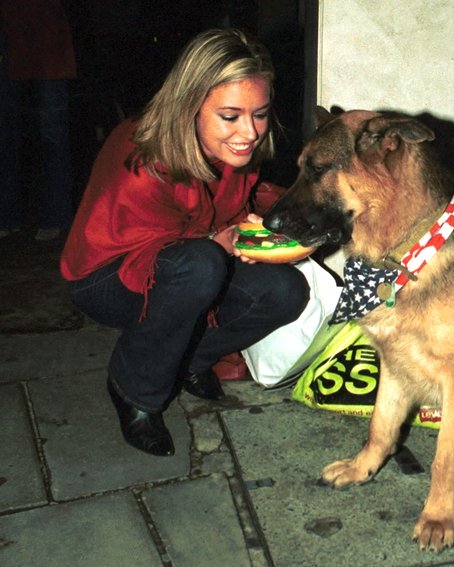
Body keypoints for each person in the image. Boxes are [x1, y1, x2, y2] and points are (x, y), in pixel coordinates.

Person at [60, 28, 310, 456]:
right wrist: (220, 242)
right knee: (200, 266)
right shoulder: (143, 154)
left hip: (188, 259)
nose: (249, 132)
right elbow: (151, 254)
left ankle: (189, 359)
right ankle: (135, 388)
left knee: (286, 291)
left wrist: (274, 224)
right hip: (107, 276)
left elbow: (233, 207)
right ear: (189, 106)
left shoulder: (233, 148)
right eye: (230, 116)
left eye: (261, 113)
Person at [0, 0, 76, 241]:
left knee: (51, 134)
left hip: (47, 35)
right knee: (6, 132)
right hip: (8, 31)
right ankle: (6, 217)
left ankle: (55, 216)